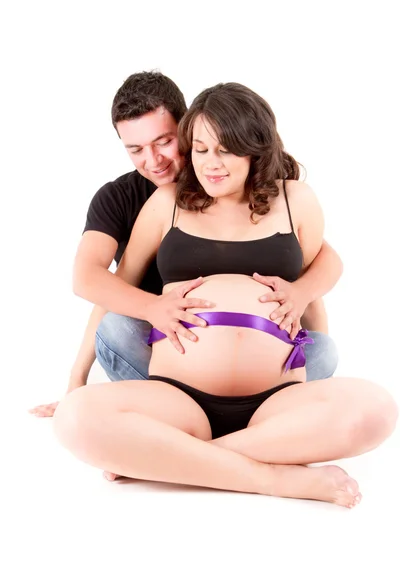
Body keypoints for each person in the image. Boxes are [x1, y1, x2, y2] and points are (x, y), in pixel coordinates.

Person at [53, 82, 398, 507]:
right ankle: (276, 478)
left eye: (225, 149)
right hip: (177, 395)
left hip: (277, 396)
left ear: (253, 147)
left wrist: (308, 320)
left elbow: (318, 272)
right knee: (75, 418)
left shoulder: (296, 199)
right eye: (201, 150)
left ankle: (170, 458)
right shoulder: (163, 201)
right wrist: (76, 379)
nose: (211, 164)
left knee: (378, 409)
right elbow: (108, 285)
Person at [31, 71, 340, 419]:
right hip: (173, 367)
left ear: (184, 129)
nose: (153, 160)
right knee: (115, 326)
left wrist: (301, 304)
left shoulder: (286, 198)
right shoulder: (145, 200)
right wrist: (76, 383)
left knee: (324, 351)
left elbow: (319, 264)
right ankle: (212, 432)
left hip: (268, 375)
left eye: (163, 142)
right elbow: (98, 283)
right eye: (135, 149)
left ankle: (180, 440)